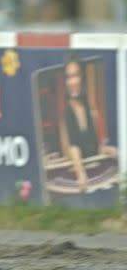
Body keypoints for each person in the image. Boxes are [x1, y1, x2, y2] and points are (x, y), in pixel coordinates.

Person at [59, 55, 118, 192]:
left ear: (82, 78)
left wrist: (108, 150)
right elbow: (73, 146)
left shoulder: (86, 106)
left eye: (76, 76)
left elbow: (93, 147)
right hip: (78, 176)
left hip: (94, 172)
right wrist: (81, 173)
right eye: (69, 77)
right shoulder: (67, 112)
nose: (72, 81)